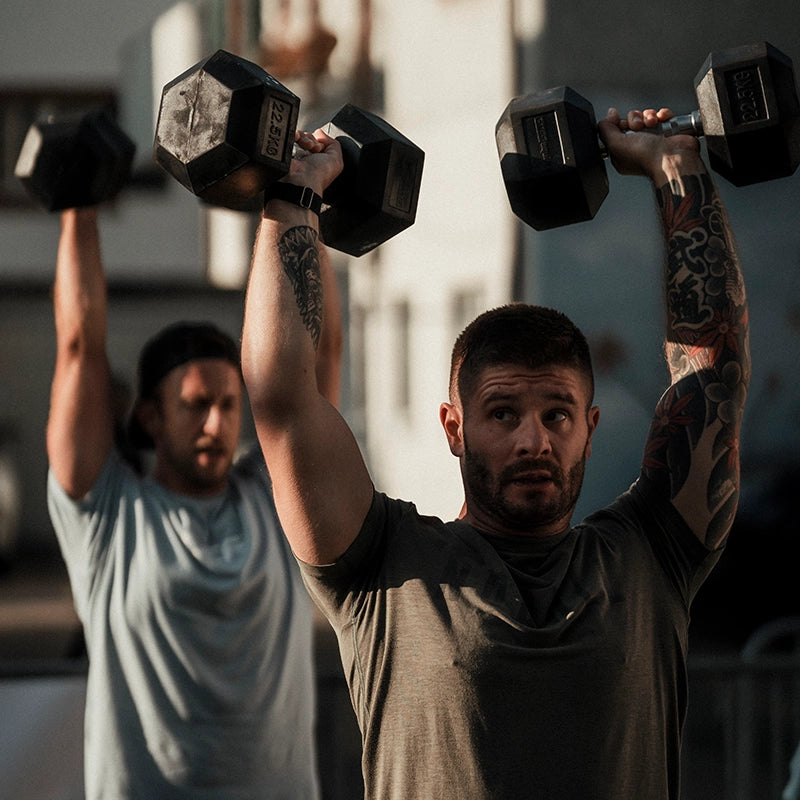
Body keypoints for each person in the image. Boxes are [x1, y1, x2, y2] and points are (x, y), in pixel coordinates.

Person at [241, 104, 750, 800]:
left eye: (557, 414)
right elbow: (283, 397)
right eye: (503, 414)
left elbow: (712, 372)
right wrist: (295, 190)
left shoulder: (651, 555)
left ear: (590, 428)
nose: (533, 439)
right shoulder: (382, 567)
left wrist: (675, 167)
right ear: (453, 427)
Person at [46, 204, 342, 799]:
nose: (216, 424)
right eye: (196, 405)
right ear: (151, 417)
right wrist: (79, 207)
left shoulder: (274, 500)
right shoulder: (107, 517)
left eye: (230, 405)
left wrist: (301, 206)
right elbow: (80, 347)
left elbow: (321, 353)